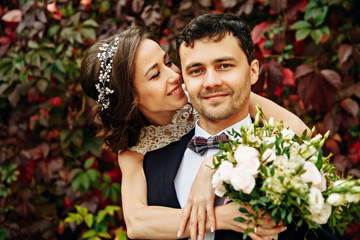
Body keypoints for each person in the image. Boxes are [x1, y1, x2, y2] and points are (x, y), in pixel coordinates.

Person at [79, 25, 310, 240]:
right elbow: (137, 222)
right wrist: (222, 218)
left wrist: (215, 164)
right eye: (155, 75)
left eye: (168, 62)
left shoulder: (207, 95)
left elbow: (299, 132)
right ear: (131, 97)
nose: (174, 75)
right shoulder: (135, 148)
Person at [142, 13, 348, 240]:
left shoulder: (294, 154)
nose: (211, 82)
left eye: (224, 65)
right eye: (196, 71)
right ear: (185, 82)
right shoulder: (152, 163)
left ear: (253, 71)